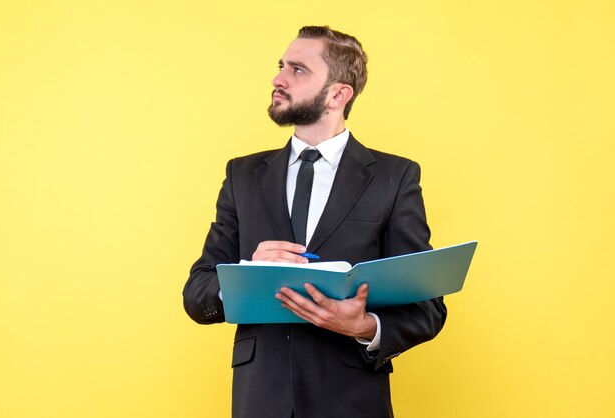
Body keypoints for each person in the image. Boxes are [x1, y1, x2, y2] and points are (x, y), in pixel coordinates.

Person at [183, 25, 447, 418]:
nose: (279, 78)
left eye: (298, 70)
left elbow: (428, 307)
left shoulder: (395, 177)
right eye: (281, 66)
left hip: (351, 401)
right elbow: (196, 294)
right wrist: (246, 273)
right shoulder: (242, 175)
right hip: (260, 401)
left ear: (339, 94)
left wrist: (364, 326)